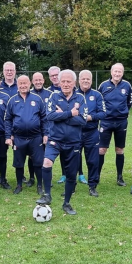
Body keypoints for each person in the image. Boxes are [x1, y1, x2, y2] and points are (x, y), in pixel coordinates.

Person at [36, 69, 88, 215]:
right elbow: (50, 116)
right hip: (55, 140)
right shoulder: (53, 96)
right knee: (46, 162)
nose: (65, 84)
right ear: (59, 82)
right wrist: (71, 113)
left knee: (71, 175)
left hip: (73, 142)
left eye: (68, 81)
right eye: (63, 81)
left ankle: (67, 204)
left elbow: (83, 120)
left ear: (74, 83)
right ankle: (47, 195)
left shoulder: (80, 99)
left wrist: (62, 115)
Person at [4, 75, 47, 195]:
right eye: (20, 83)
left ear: (30, 84)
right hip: (19, 138)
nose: (23, 85)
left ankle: (39, 185)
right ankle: (19, 185)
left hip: (36, 137)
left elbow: (44, 118)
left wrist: (45, 134)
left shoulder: (37, 99)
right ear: (17, 85)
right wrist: (8, 136)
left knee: (38, 162)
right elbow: (7, 120)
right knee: (19, 163)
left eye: (25, 83)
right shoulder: (12, 100)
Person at [98, 63, 132, 186]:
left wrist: (124, 112)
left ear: (122, 73)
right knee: (101, 149)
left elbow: (129, 102)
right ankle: (97, 176)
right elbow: (99, 101)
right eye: (115, 71)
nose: (117, 74)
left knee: (120, 149)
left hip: (121, 122)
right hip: (106, 121)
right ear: (111, 72)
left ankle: (119, 177)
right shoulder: (103, 85)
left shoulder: (127, 85)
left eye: (120, 72)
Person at [76, 70, 105, 196]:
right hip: (75, 132)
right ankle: (71, 186)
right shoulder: (73, 94)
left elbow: (103, 113)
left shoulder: (97, 95)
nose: (86, 81)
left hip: (92, 132)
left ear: (91, 81)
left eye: (88, 79)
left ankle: (92, 186)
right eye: (83, 79)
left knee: (93, 160)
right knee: (73, 160)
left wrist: (90, 117)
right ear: (79, 80)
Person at [27, 72, 52, 189]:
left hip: (48, 130)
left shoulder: (50, 94)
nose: (38, 82)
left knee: (47, 156)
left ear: (43, 80)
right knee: (32, 156)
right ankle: (32, 178)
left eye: (40, 80)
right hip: (34, 132)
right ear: (32, 81)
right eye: (35, 80)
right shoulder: (28, 94)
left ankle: (45, 179)